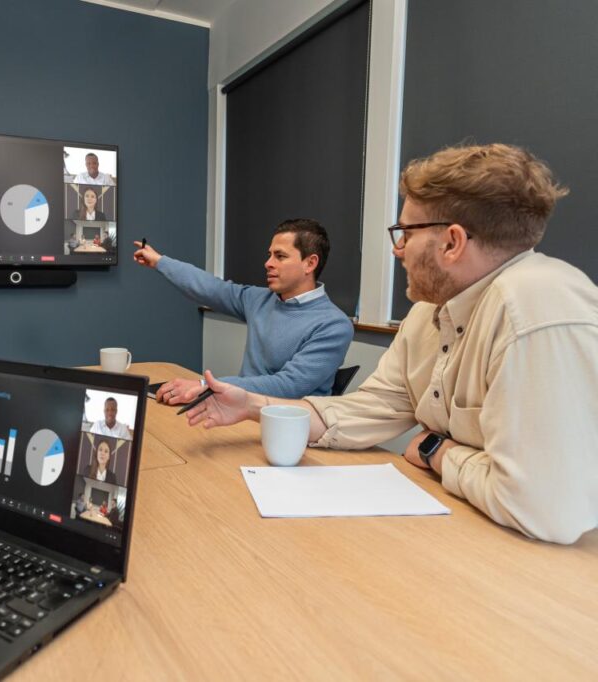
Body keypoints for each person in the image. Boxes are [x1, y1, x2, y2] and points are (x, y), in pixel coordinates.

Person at [186, 144, 598, 545]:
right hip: (469, 529)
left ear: (451, 242)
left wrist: (436, 449)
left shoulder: (537, 308)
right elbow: (371, 410)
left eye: (404, 233)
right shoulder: (427, 314)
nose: (397, 250)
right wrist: (252, 405)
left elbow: (542, 509)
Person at [133, 219, 353, 403]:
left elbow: (288, 385)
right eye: (269, 255)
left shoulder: (334, 325)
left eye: (280, 256)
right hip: (239, 413)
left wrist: (206, 386)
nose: (268, 263)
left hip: (291, 432)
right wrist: (160, 262)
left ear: (310, 263)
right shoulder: (260, 299)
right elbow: (211, 288)